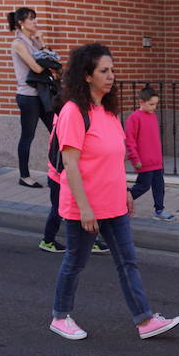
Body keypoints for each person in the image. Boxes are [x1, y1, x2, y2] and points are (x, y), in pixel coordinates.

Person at [48, 43, 179, 341]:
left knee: (127, 261)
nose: (110, 76)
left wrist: (125, 191)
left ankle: (145, 320)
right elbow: (70, 164)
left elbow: (111, 159)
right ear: (86, 76)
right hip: (85, 206)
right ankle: (60, 316)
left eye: (112, 70)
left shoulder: (107, 112)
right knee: (76, 261)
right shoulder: (73, 112)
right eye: (103, 71)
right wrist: (84, 208)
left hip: (113, 203)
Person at [39, 103, 110, 255]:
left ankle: (90, 241)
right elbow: (57, 152)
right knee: (57, 211)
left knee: (86, 209)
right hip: (59, 176)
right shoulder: (65, 119)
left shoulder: (65, 116)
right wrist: (63, 173)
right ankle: (48, 240)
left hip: (64, 175)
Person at [9, 7, 53, 188]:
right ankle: (24, 176)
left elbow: (50, 59)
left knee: (57, 132)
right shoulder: (18, 43)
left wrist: (41, 40)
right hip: (28, 96)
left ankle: (57, 173)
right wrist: (48, 61)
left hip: (42, 94)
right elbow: (37, 68)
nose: (35, 22)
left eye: (35, 19)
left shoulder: (33, 41)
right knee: (28, 136)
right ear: (21, 22)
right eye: (31, 19)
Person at [125, 85, 175, 221]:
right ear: (141, 102)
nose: (154, 107)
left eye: (156, 104)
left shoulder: (152, 116)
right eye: (151, 104)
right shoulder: (134, 118)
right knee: (143, 186)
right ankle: (123, 199)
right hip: (144, 162)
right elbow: (130, 141)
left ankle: (159, 210)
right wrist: (135, 159)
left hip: (157, 161)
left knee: (159, 186)